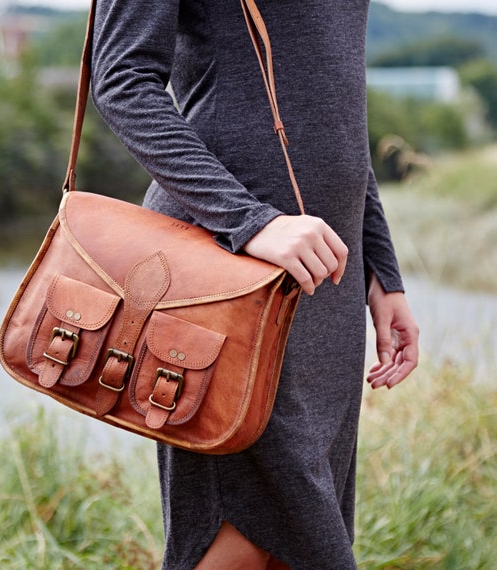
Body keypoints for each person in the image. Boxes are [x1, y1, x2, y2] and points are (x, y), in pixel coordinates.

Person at [90, 0, 419, 568]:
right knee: (240, 532)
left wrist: (379, 270)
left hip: (325, 287)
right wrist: (250, 220)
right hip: (228, 275)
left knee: (302, 542)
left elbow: (335, 108)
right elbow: (121, 79)